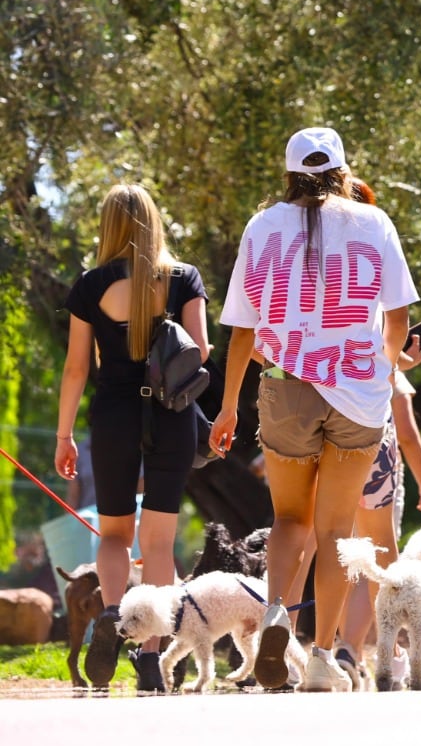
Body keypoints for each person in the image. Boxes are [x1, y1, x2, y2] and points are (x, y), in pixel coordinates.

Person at [213, 127, 419, 691]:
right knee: (334, 529)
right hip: (359, 396)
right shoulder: (373, 222)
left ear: (289, 173)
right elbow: (397, 319)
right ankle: (324, 656)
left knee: (288, 519)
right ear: (342, 170)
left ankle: (279, 612)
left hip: (283, 388)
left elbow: (240, 331)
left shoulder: (261, 226)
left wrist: (229, 406)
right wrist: (387, 361)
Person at [55, 184, 211, 692]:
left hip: (115, 416)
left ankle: (115, 619)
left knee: (116, 535)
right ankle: (151, 654)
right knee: (159, 544)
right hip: (172, 416)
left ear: (108, 227)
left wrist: (64, 435)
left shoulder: (90, 284)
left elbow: (78, 367)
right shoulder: (184, 279)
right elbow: (201, 352)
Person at [333, 176, 421, 684]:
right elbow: (405, 422)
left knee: (331, 544)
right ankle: (390, 653)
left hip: (311, 422)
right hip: (371, 432)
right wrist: (398, 363)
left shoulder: (311, 276)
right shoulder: (375, 286)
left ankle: (337, 649)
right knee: (380, 552)